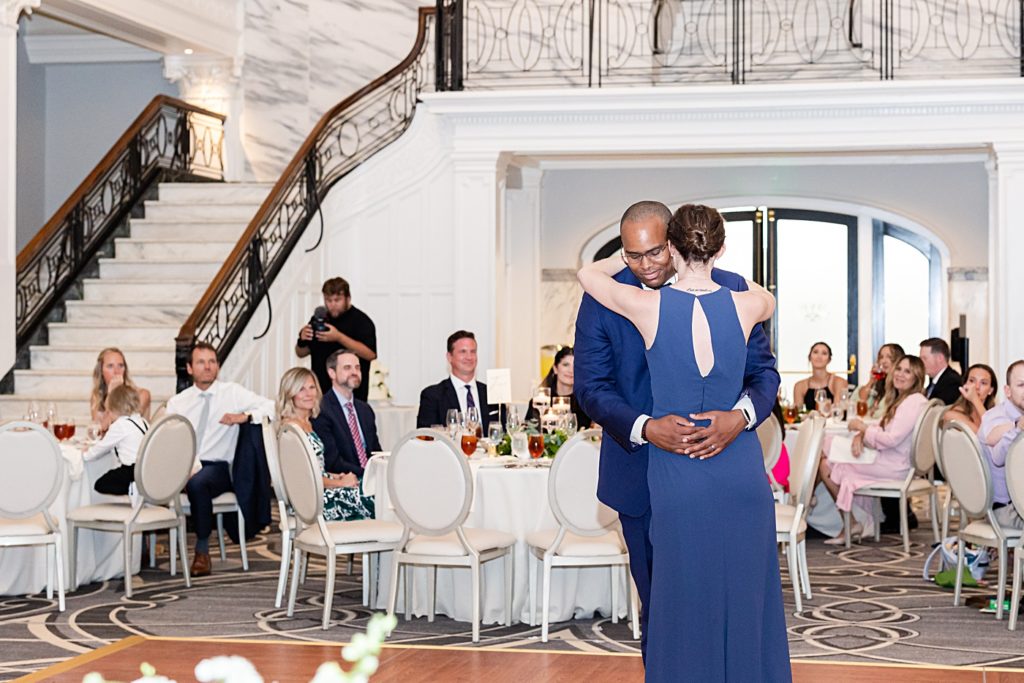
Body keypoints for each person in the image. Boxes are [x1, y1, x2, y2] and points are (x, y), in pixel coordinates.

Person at [577, 203, 788, 681]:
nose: (646, 265)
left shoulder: (732, 288)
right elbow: (591, 387)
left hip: (718, 464)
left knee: (739, 600)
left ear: (672, 242)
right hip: (642, 476)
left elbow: (764, 375)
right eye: (632, 256)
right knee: (664, 610)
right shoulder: (611, 300)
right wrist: (646, 427)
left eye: (655, 252)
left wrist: (741, 417)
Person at [166, 342, 275, 577]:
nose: (208, 367)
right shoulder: (178, 403)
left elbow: (272, 407)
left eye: (212, 362)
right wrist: (183, 467)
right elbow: (168, 441)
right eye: (201, 362)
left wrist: (244, 416)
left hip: (220, 468)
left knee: (199, 483)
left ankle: (202, 550)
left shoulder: (232, 393)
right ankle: (146, 548)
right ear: (189, 368)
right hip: (185, 466)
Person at [818, 355, 929, 543]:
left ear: (916, 378)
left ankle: (849, 521)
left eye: (907, 371)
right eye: (899, 369)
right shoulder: (906, 399)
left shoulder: (913, 401)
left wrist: (862, 429)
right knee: (827, 447)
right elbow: (884, 425)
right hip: (890, 460)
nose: (900, 374)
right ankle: (852, 520)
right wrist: (862, 434)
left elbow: (891, 439)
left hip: (893, 466)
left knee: (825, 462)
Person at [279, 367, 375, 522]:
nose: (309, 394)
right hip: (313, 502)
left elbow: (316, 468)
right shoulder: (291, 430)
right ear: (290, 394)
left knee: (374, 486)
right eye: (301, 389)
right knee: (374, 497)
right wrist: (339, 483)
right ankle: (381, 541)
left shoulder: (306, 424)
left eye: (311, 387)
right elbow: (303, 477)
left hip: (321, 490)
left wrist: (338, 476)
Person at [296, 277, 377, 400]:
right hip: (321, 393)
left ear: (348, 298)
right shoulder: (319, 319)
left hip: (352, 393)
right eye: (328, 300)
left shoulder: (361, 321)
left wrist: (338, 337)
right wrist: (302, 339)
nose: (332, 305)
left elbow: (370, 354)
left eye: (337, 300)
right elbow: (301, 353)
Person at [312, 349, 383, 480]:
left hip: (370, 478)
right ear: (331, 373)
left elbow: (375, 451)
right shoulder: (321, 410)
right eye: (347, 368)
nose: (354, 372)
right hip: (344, 480)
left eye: (357, 367)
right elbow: (333, 461)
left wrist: (383, 468)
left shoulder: (365, 409)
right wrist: (368, 474)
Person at [416, 330, 502, 433]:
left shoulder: (492, 393)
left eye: (473, 351)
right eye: (463, 352)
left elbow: (505, 435)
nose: (469, 357)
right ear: (449, 357)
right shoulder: (433, 396)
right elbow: (426, 438)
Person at [977, 360, 1024, 530]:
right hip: (1005, 510)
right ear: (1008, 391)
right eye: (1021, 385)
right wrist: (1018, 427)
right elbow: (999, 458)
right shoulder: (995, 417)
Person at [83, 384, 149, 496]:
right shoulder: (143, 421)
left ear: (114, 409)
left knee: (101, 484)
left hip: (132, 471)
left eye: (109, 411)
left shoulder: (120, 425)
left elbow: (101, 447)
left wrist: (85, 455)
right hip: (146, 468)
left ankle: (133, 488)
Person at [525, 346, 592, 429]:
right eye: (566, 365)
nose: (571, 370)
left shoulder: (585, 403)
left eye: (576, 366)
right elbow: (530, 432)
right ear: (555, 368)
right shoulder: (540, 402)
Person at [90, 347, 152, 429]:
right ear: (101, 371)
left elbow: (123, 425)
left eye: (121, 365)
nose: (116, 371)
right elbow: (98, 431)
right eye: (110, 366)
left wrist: (112, 394)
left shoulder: (141, 395)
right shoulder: (97, 396)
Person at [792, 342, 849, 412]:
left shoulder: (839, 382)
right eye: (815, 352)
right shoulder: (799, 386)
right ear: (809, 357)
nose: (819, 356)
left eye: (824, 353)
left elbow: (838, 412)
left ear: (829, 360)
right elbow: (798, 415)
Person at [942, 363, 998, 433]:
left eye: (983, 383)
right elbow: (985, 437)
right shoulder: (952, 415)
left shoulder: (995, 414)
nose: (977, 387)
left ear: (990, 390)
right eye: (972, 381)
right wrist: (975, 399)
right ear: (965, 385)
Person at [855, 343, 905, 416]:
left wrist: (872, 412)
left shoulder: (900, 384)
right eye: (881, 357)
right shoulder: (880, 383)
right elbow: (861, 401)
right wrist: (871, 381)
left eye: (889, 357)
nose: (884, 361)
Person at [920, 337, 962, 405]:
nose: (921, 362)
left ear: (940, 358)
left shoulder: (952, 383)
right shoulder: (934, 381)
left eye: (924, 358)